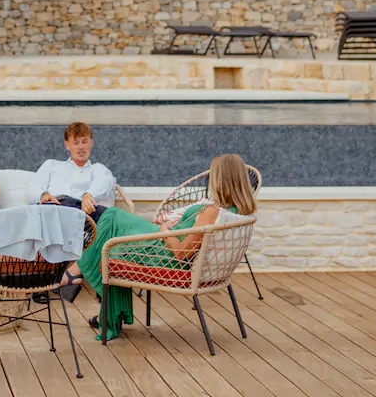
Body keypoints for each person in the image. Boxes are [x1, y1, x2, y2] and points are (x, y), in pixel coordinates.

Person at [77, 152, 256, 341]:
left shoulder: (212, 212)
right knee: (111, 219)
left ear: (221, 181)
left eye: (214, 176)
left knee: (108, 230)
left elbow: (180, 253)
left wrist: (164, 230)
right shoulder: (240, 212)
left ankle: (105, 309)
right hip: (165, 242)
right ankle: (107, 310)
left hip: (165, 252)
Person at [28, 121, 116, 301]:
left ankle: (68, 275)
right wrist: (43, 194)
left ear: (91, 142)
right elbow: (32, 189)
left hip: (87, 214)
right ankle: (57, 278)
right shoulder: (52, 166)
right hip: (57, 208)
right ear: (67, 145)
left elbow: (105, 184)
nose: (81, 147)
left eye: (84, 141)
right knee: (48, 213)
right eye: (76, 142)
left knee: (110, 220)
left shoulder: (98, 169)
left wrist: (88, 195)